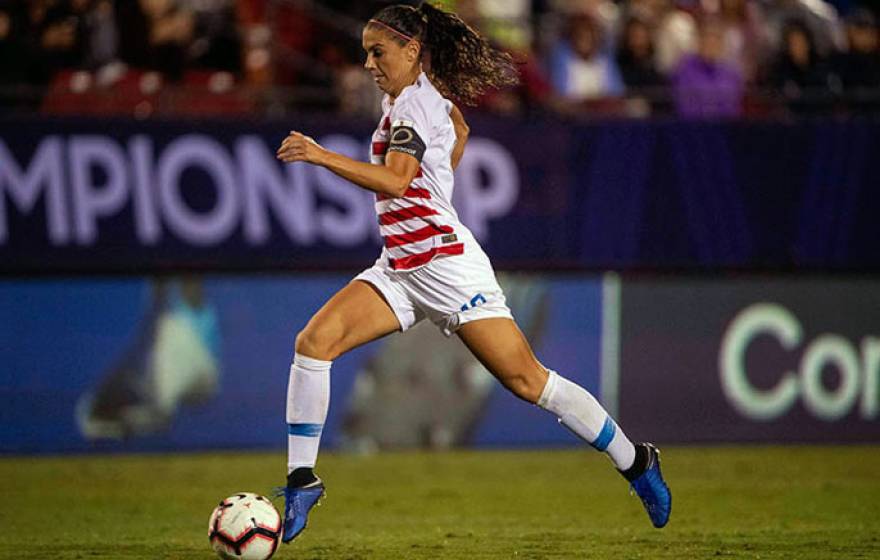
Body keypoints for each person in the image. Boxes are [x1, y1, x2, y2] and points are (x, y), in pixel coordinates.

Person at [274, 2, 672, 544]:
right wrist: (439, 171)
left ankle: (636, 462)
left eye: (377, 51)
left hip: (449, 270)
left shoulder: (413, 106)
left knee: (529, 381)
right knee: (313, 342)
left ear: (412, 50)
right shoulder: (408, 103)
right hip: (400, 268)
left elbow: (394, 182)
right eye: (366, 52)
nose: (368, 63)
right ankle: (302, 482)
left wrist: (321, 155)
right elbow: (454, 139)